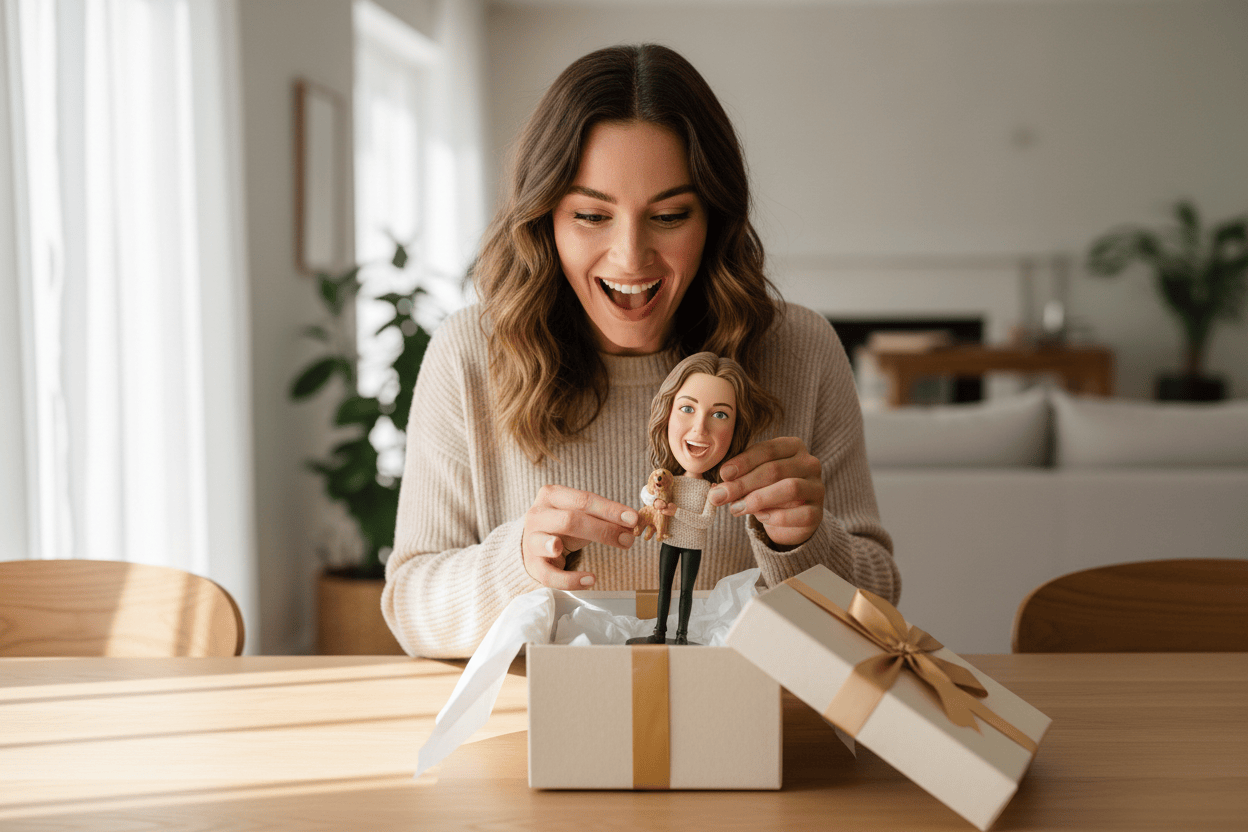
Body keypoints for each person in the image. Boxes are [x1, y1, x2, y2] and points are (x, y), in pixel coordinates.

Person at [382, 43, 898, 659]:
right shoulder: (470, 354)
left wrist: (806, 546)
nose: (631, 258)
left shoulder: (801, 350)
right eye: (592, 215)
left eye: (671, 215)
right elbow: (411, 609)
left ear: (715, 218)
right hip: (545, 735)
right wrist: (518, 562)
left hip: (746, 732)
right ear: (544, 218)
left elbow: (881, 610)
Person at [628, 352, 768, 645]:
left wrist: (675, 510)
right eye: (687, 408)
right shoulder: (669, 480)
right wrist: (653, 501)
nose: (700, 428)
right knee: (664, 586)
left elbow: (704, 521)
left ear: (735, 429)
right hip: (668, 540)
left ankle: (682, 635)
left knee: (686, 590)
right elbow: (649, 494)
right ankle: (660, 631)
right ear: (666, 412)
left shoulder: (708, 490)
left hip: (693, 546)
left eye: (720, 415)